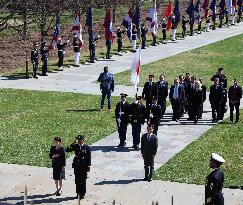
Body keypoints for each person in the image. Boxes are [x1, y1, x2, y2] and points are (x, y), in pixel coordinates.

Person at [66, 135, 91, 199]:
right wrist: (72, 143)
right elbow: (67, 150)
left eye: (80, 140)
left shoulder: (87, 147)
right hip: (76, 165)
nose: (79, 141)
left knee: (83, 180)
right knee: (77, 180)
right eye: (78, 140)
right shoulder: (75, 146)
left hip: (83, 166)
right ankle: (78, 193)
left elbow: (89, 157)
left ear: (83, 140)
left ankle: (83, 194)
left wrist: (88, 166)